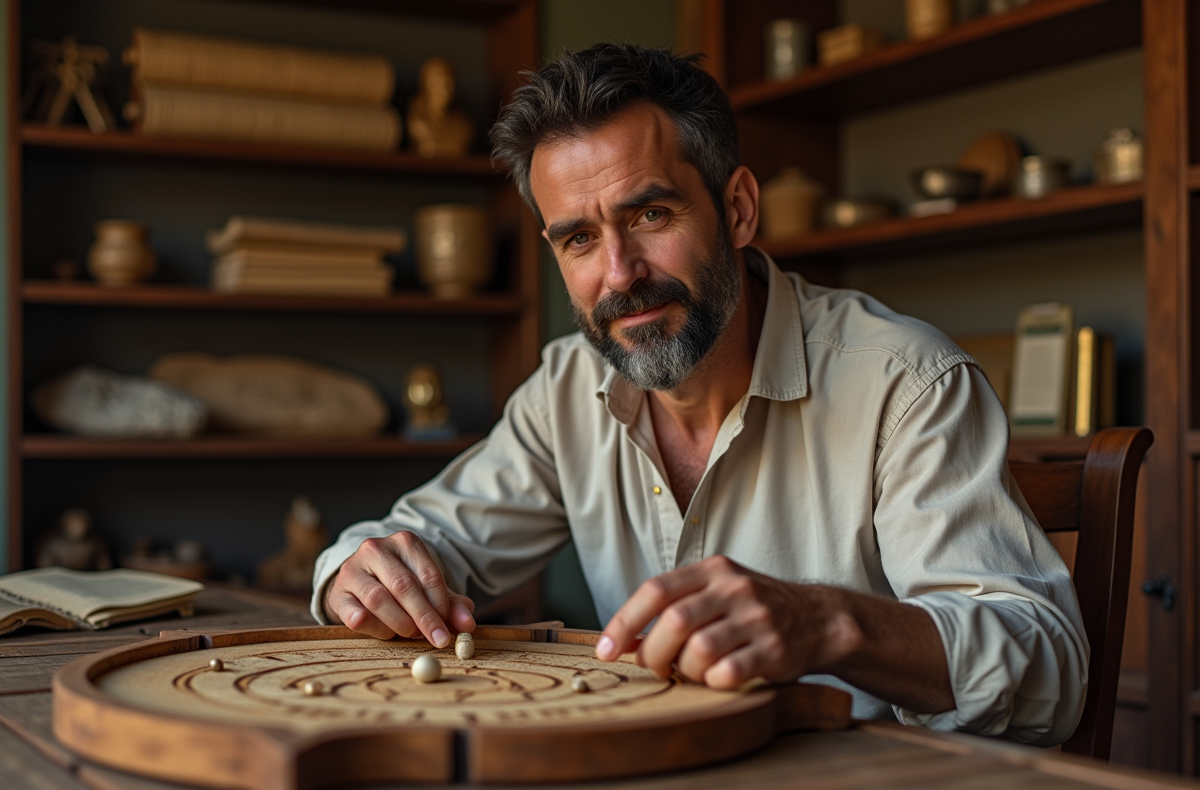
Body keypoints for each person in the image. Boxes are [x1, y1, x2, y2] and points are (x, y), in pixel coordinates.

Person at [312, 44, 1087, 745]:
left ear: (739, 209)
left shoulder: (906, 385)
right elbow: (418, 544)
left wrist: (827, 623)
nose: (619, 274)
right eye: (579, 238)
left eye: (651, 214)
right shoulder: (566, 389)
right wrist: (363, 570)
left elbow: (1048, 672)